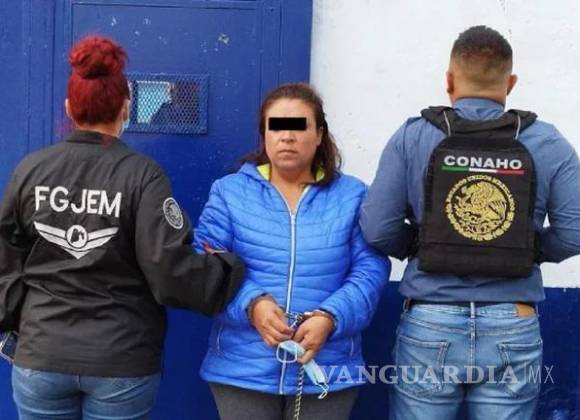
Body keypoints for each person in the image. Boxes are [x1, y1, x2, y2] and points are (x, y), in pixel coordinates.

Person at [0, 36, 244, 420]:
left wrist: (19, 322)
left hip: (42, 354)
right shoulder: (142, 176)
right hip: (120, 360)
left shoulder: (31, 170)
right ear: (126, 108)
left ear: (69, 108)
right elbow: (168, 269)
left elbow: (6, 257)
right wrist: (226, 270)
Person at [360, 25, 580, 420]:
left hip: (431, 319)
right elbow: (575, 232)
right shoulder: (547, 142)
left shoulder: (412, 137)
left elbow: (377, 228)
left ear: (448, 80)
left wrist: (421, 244)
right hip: (513, 319)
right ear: (510, 83)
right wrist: (523, 249)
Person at [194, 83, 390, 420]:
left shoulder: (353, 195)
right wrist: (252, 304)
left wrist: (330, 317)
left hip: (327, 368)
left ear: (319, 134)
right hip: (243, 369)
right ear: (264, 135)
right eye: (276, 127)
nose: (287, 136)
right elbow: (206, 260)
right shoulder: (229, 192)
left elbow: (370, 270)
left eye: (298, 126)